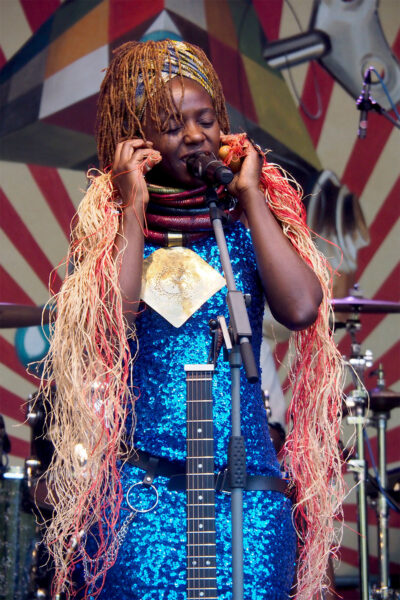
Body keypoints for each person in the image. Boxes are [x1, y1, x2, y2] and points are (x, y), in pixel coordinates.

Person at [39, 40, 344, 600]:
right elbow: (111, 321)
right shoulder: (110, 229)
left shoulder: (246, 223)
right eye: (172, 125)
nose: (195, 135)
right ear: (140, 141)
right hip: (144, 493)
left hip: (246, 494)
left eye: (205, 121)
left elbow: (301, 308)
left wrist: (251, 196)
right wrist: (132, 206)